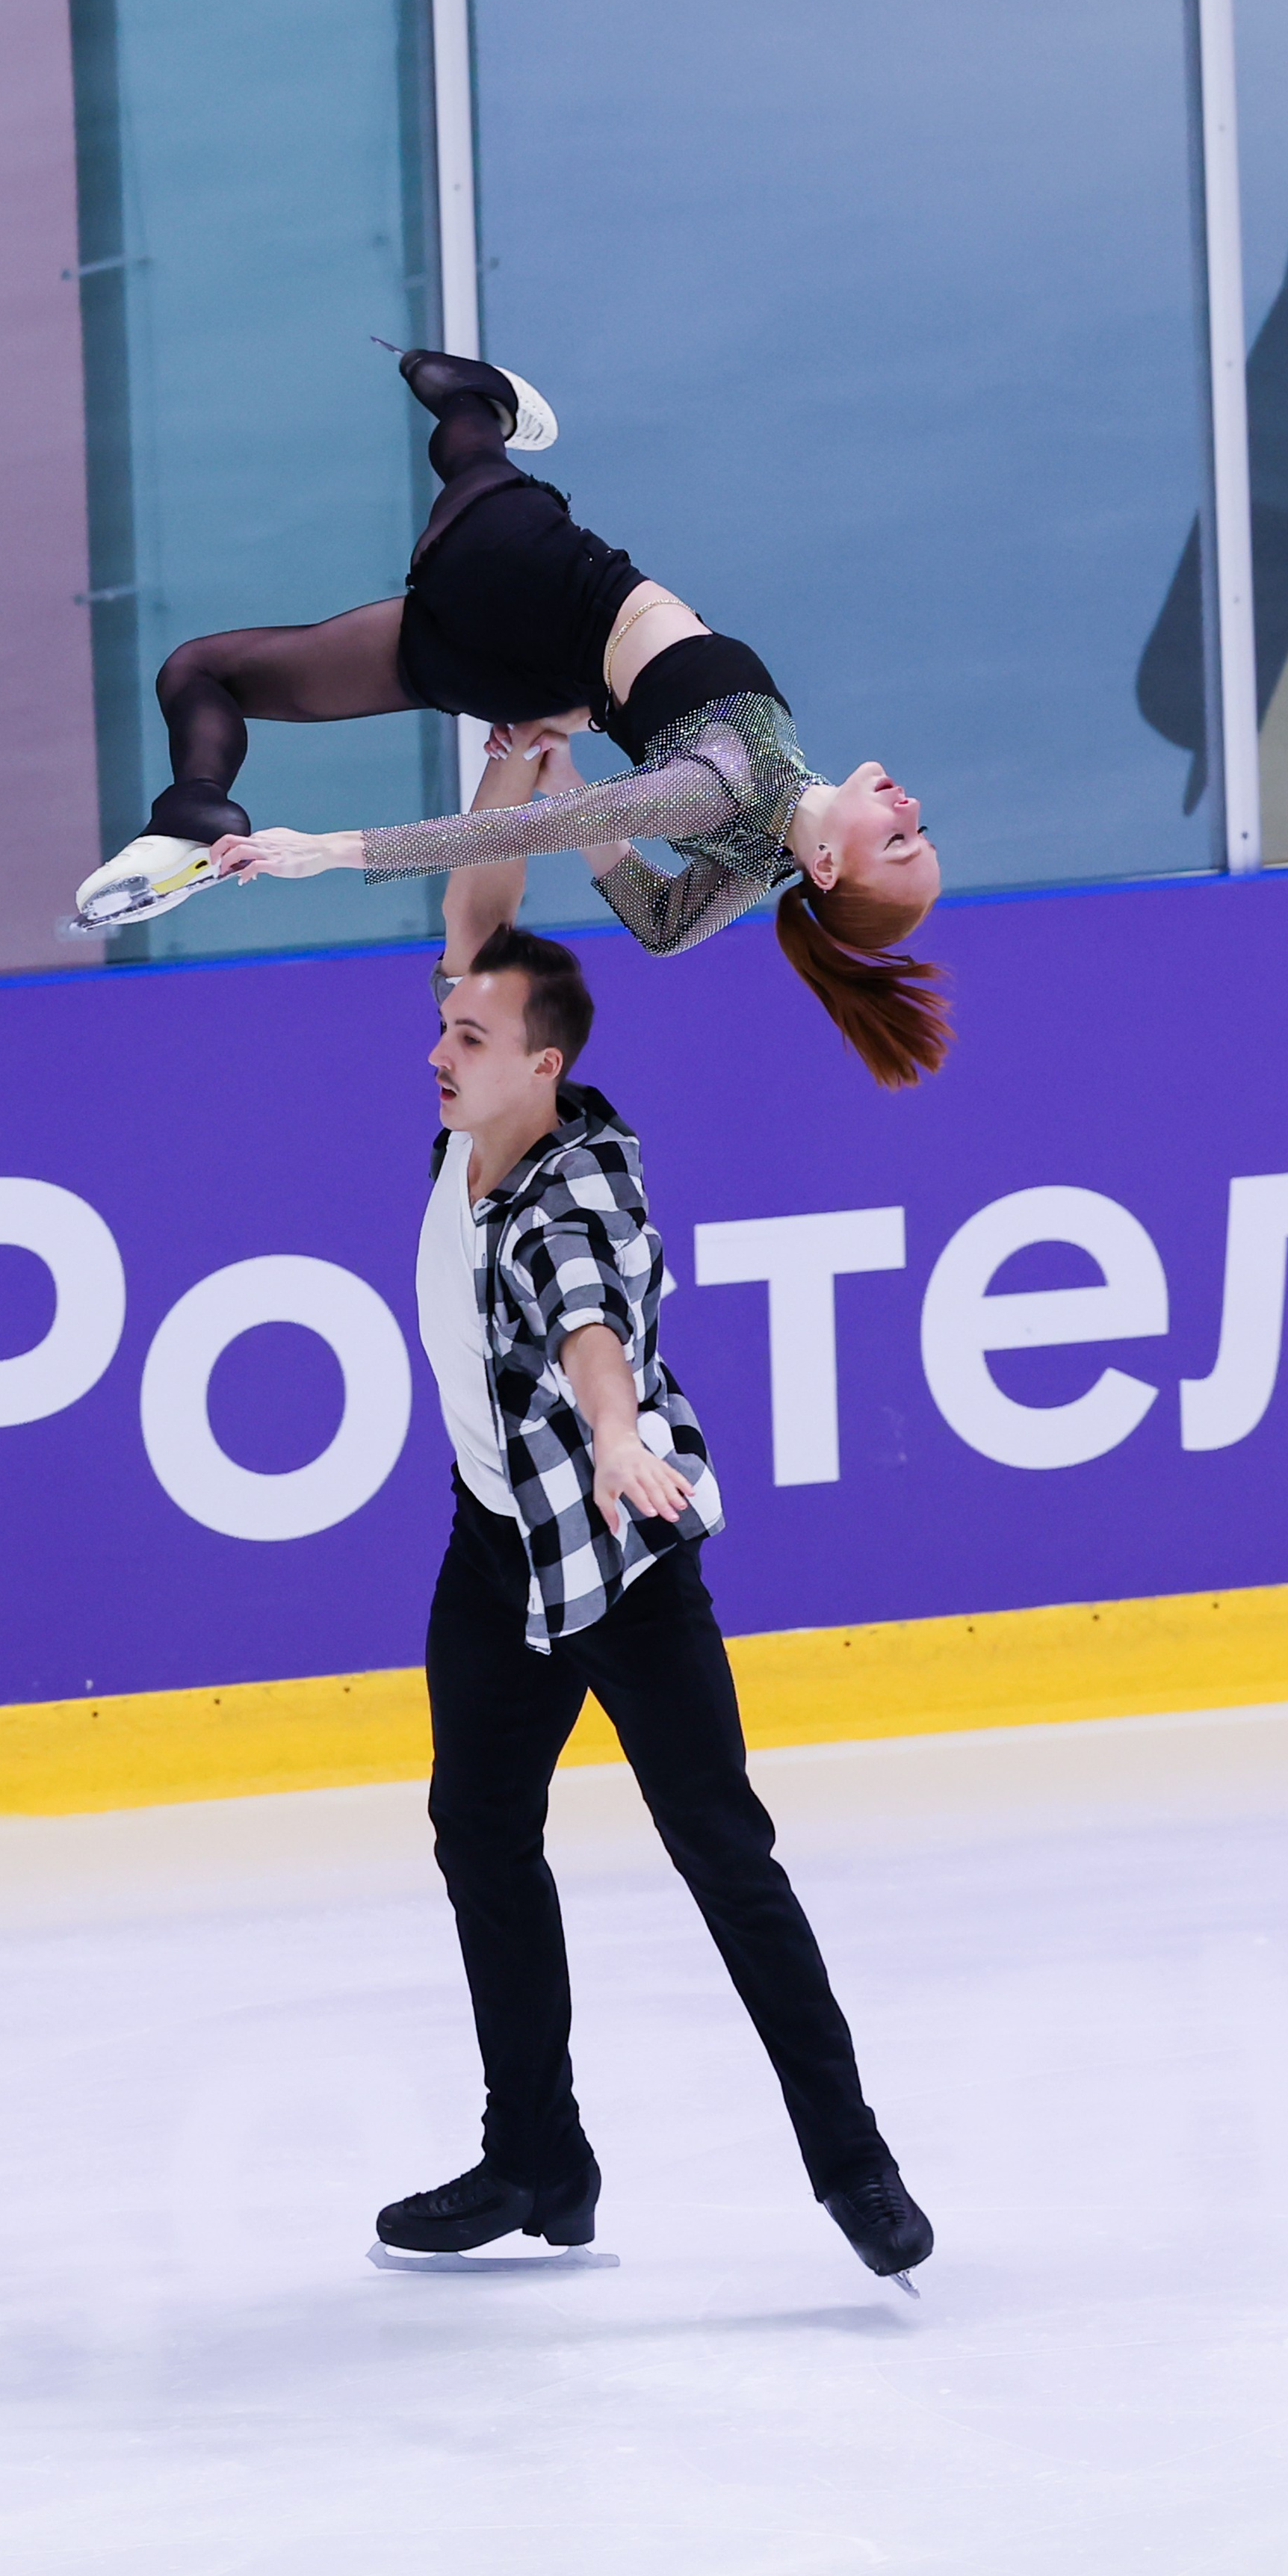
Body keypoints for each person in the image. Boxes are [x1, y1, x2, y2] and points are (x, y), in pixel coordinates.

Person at [377, 794, 934, 2282]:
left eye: (471, 1042)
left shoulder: (579, 1185)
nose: (440, 1053)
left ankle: (855, 2168)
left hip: (620, 1552)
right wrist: (512, 775)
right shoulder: (472, 1123)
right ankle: (537, 2160)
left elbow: (583, 1317)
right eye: (446, 1030)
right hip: (494, 1551)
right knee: (478, 1835)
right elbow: (475, 917)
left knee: (720, 1854)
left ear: (542, 1068)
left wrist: (617, 1433)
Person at [74, 348, 950, 1090]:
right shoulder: (758, 856)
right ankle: (193, 815)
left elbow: (533, 830)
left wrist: (331, 850)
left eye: (899, 842)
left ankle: (476, 393)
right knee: (204, 671)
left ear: (828, 867)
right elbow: (663, 929)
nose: (909, 810)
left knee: (464, 427)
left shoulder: (722, 782)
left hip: (527, 579)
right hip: (524, 674)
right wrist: (571, 759)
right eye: (922, 831)